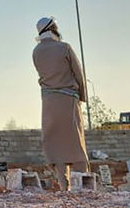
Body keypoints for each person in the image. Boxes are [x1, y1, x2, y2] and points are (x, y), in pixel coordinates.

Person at [32, 17, 90, 191]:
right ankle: (83, 185)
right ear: (53, 28)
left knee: (56, 146)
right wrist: (82, 97)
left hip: (48, 103)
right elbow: (78, 73)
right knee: (74, 143)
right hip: (68, 99)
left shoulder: (36, 51)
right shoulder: (64, 47)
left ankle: (65, 187)